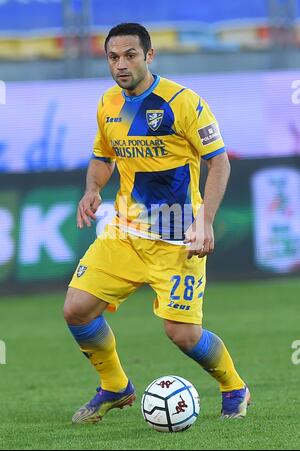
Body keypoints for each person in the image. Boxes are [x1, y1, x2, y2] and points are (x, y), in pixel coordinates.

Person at [63, 23, 250, 424]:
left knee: (181, 334)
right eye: (113, 57)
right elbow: (103, 156)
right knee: (77, 309)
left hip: (178, 237)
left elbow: (219, 161)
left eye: (130, 55)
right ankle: (115, 387)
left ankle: (234, 386)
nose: (121, 64)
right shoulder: (108, 104)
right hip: (124, 233)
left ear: (149, 56)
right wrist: (92, 189)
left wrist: (206, 220)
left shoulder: (183, 102)